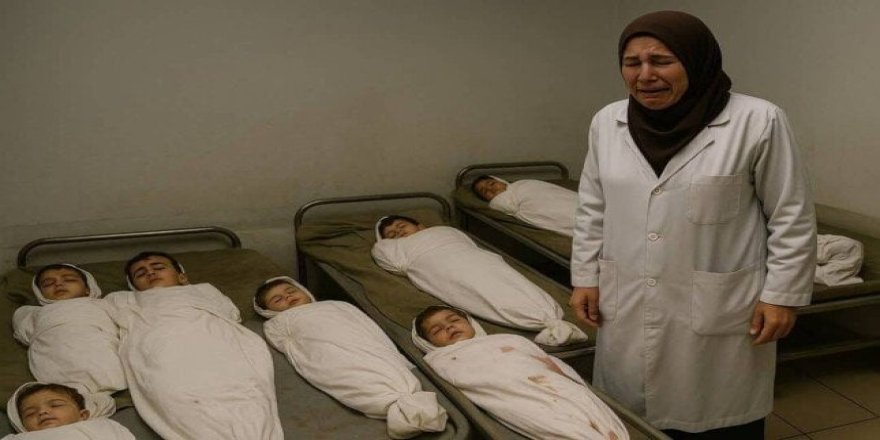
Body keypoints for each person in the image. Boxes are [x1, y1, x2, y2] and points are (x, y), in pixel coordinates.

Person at [569, 10, 817, 438]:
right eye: (632, 63)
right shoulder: (607, 122)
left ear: (697, 60)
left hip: (720, 310)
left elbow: (790, 214)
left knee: (719, 419)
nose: (645, 75)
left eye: (661, 61)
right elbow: (593, 206)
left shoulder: (758, 120)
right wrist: (585, 277)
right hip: (625, 295)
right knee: (633, 420)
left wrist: (782, 296)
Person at [103, 251, 284, 440]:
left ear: (182, 277)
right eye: (140, 273)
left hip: (213, 343)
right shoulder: (122, 299)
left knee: (241, 391)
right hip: (162, 350)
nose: (150, 273)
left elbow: (229, 314)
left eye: (158, 267)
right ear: (133, 286)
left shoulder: (203, 290)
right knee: (181, 398)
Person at [254, 276, 448, 439]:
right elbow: (288, 345)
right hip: (328, 352)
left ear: (304, 291)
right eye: (278, 300)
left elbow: (368, 327)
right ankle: (388, 400)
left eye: (290, 291)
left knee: (378, 362)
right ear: (268, 312)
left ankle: (402, 392)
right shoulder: (279, 322)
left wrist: (391, 354)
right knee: (350, 372)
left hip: (360, 342)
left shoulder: (336, 305)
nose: (287, 297)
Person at [412, 306, 627, 440]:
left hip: (547, 380)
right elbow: (474, 382)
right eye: (437, 330)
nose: (448, 327)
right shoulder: (441, 360)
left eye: (453, 320)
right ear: (428, 344)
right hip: (514, 395)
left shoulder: (507, 339)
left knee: (584, 405)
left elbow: (547, 362)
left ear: (470, 322)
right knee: (558, 422)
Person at [373, 216, 588, 346]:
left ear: (420, 227)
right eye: (391, 234)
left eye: (401, 226)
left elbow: (467, 244)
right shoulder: (395, 249)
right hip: (436, 264)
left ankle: (544, 314)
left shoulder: (444, 231)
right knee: (470, 286)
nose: (398, 232)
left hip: (470, 256)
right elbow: (386, 257)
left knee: (502, 277)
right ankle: (532, 317)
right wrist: (386, 244)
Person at [12, 264, 126, 395]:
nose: (58, 284)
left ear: (88, 289)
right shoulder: (33, 313)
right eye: (48, 283)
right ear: (40, 294)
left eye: (69, 280)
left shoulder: (105, 304)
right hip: (55, 355)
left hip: (99, 348)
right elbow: (23, 333)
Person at [4, 382, 133, 439]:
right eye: (30, 413)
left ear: (83, 415)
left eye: (55, 405)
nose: (42, 412)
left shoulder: (100, 427)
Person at [472, 175, 578, 237]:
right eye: (485, 191)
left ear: (501, 181)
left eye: (492, 184)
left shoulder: (523, 184)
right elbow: (506, 205)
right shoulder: (498, 203)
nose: (491, 189)